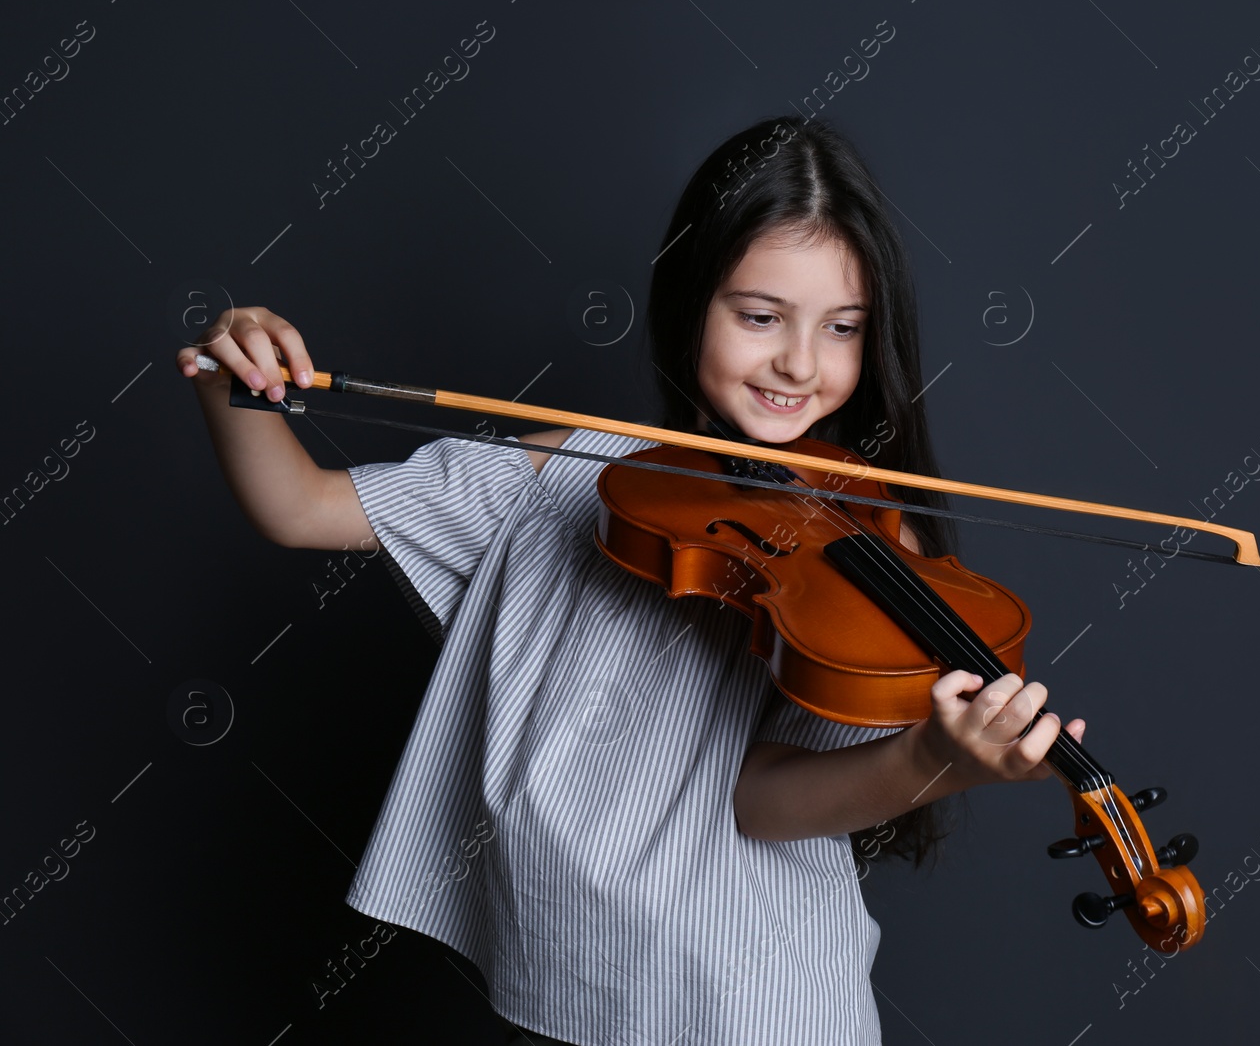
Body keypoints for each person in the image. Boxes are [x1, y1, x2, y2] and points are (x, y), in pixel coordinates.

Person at [177, 115, 1085, 1046]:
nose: (801, 364)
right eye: (760, 315)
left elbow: (762, 799)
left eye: (842, 328)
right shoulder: (575, 477)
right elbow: (300, 506)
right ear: (691, 300)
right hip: (575, 986)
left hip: (751, 1002)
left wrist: (937, 759)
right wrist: (230, 372)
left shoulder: (862, 543)